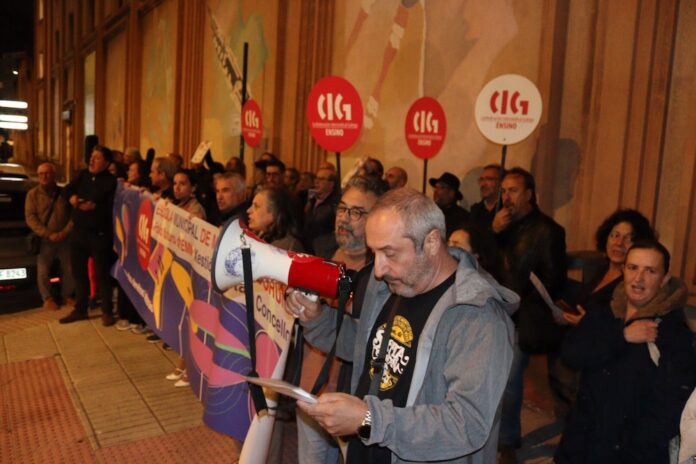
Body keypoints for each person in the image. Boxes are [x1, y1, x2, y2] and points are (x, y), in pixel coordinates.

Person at [286, 188, 518, 463]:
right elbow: (365, 344)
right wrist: (317, 320)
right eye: (375, 253)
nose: (379, 269)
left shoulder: (477, 316)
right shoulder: (391, 285)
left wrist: (369, 418)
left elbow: (466, 423)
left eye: (390, 253)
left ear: (431, 242)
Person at [555, 240, 696, 463]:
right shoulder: (604, 309)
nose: (638, 279)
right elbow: (572, 352)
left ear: (664, 279)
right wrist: (621, 337)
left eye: (650, 271)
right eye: (633, 268)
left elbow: (672, 407)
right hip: (582, 442)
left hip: (629, 453)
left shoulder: (673, 332)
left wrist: (632, 445)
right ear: (623, 270)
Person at [296, 175, 387, 464]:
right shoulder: (322, 252)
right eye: (342, 209)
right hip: (312, 387)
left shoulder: (383, 275)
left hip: (350, 399)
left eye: (357, 212)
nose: (345, 219)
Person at [493, 167, 568, 463]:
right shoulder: (501, 225)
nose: (506, 197)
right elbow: (485, 261)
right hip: (493, 310)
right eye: (504, 191)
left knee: (511, 381)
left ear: (529, 194)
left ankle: (508, 440)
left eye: (512, 190)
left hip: (519, 317)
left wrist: (521, 302)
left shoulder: (548, 231)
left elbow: (553, 278)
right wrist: (494, 233)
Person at [562, 208, 654, 325]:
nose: (619, 243)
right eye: (614, 235)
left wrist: (586, 324)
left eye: (628, 238)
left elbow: (622, 327)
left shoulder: (635, 282)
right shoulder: (600, 268)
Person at [60, 145, 118, 326]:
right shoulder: (83, 175)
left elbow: (105, 203)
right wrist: (72, 199)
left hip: (99, 234)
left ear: (107, 163)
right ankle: (80, 309)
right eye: (92, 156)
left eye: (97, 158)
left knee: (102, 274)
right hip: (79, 232)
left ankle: (107, 311)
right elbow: (67, 190)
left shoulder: (111, 181)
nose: (92, 160)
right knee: (79, 273)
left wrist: (93, 205)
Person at [24, 162, 74, 311]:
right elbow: (31, 217)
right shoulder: (32, 195)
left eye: (47, 173)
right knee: (43, 270)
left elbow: (73, 215)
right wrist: (48, 233)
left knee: (69, 268)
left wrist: (65, 231)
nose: (44, 177)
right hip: (45, 239)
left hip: (65, 238)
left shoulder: (64, 193)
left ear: (54, 175)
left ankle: (67, 295)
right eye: (41, 174)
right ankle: (47, 298)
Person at [247, 186, 304, 252]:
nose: (248, 210)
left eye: (256, 206)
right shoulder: (254, 239)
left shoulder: (289, 247)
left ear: (274, 213)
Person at [302, 167, 340, 253]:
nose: (316, 181)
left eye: (321, 179)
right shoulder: (311, 200)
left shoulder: (336, 205)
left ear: (331, 184)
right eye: (316, 178)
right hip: (306, 249)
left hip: (322, 251)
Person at [429, 172, 470, 238]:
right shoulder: (429, 213)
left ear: (451, 193)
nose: (436, 191)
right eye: (436, 187)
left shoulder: (462, 217)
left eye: (441, 187)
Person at [469, 164, 503, 229]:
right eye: (481, 179)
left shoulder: (505, 208)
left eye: (489, 179)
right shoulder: (475, 210)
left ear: (501, 182)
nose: (483, 184)